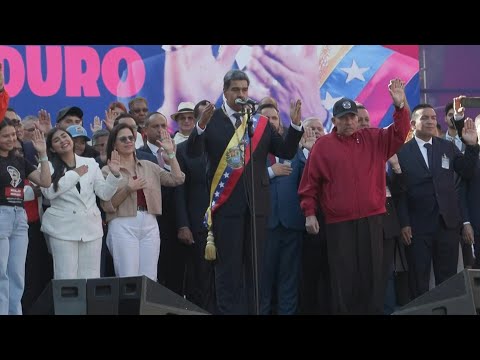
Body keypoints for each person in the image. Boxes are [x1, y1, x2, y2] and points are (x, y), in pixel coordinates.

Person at [187, 69, 304, 314]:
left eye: (244, 90)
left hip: (257, 208)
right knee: (228, 270)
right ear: (225, 92)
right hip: (226, 206)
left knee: (255, 270)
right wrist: (199, 126)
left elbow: (286, 150)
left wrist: (294, 125)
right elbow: (193, 153)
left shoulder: (259, 122)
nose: (241, 94)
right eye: (235, 90)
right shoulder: (212, 120)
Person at [298, 79, 410, 314]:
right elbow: (310, 184)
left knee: (372, 280)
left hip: (372, 220)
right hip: (339, 224)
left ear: (357, 119)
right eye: (343, 118)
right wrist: (309, 213)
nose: (348, 122)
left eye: (352, 117)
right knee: (343, 281)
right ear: (334, 120)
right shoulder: (323, 145)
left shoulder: (374, 138)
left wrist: (400, 108)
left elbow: (399, 133)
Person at [397, 100, 479, 299]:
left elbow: (467, 171)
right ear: (412, 124)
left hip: (447, 225)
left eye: (433, 117)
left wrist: (471, 145)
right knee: (419, 282)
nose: (430, 122)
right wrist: (405, 222)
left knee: (448, 281)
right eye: (424, 118)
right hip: (417, 227)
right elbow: (399, 192)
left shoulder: (447, 147)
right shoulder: (401, 152)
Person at [101, 123, 184, 281]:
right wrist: (128, 189)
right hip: (122, 223)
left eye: (131, 138)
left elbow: (177, 179)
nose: (128, 141)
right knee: (128, 278)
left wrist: (171, 156)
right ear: (114, 145)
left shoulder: (149, 166)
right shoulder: (107, 170)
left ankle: (146, 307)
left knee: (150, 278)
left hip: (149, 222)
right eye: (123, 139)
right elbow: (107, 205)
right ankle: (128, 307)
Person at [40, 128, 122, 280]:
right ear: (52, 148)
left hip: (91, 228)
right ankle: (67, 306)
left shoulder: (90, 162)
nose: (63, 141)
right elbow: (48, 192)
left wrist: (114, 174)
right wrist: (74, 174)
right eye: (57, 140)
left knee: (90, 279)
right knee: (66, 278)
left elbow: (104, 193)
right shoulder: (47, 166)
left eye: (64, 136)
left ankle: (90, 306)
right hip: (62, 229)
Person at [0, 119, 51, 315]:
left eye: (13, 135)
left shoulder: (19, 159)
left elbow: (45, 181)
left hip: (19, 218)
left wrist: (43, 154)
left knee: (17, 274)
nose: (11, 139)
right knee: (1, 273)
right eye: (5, 135)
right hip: (2, 215)